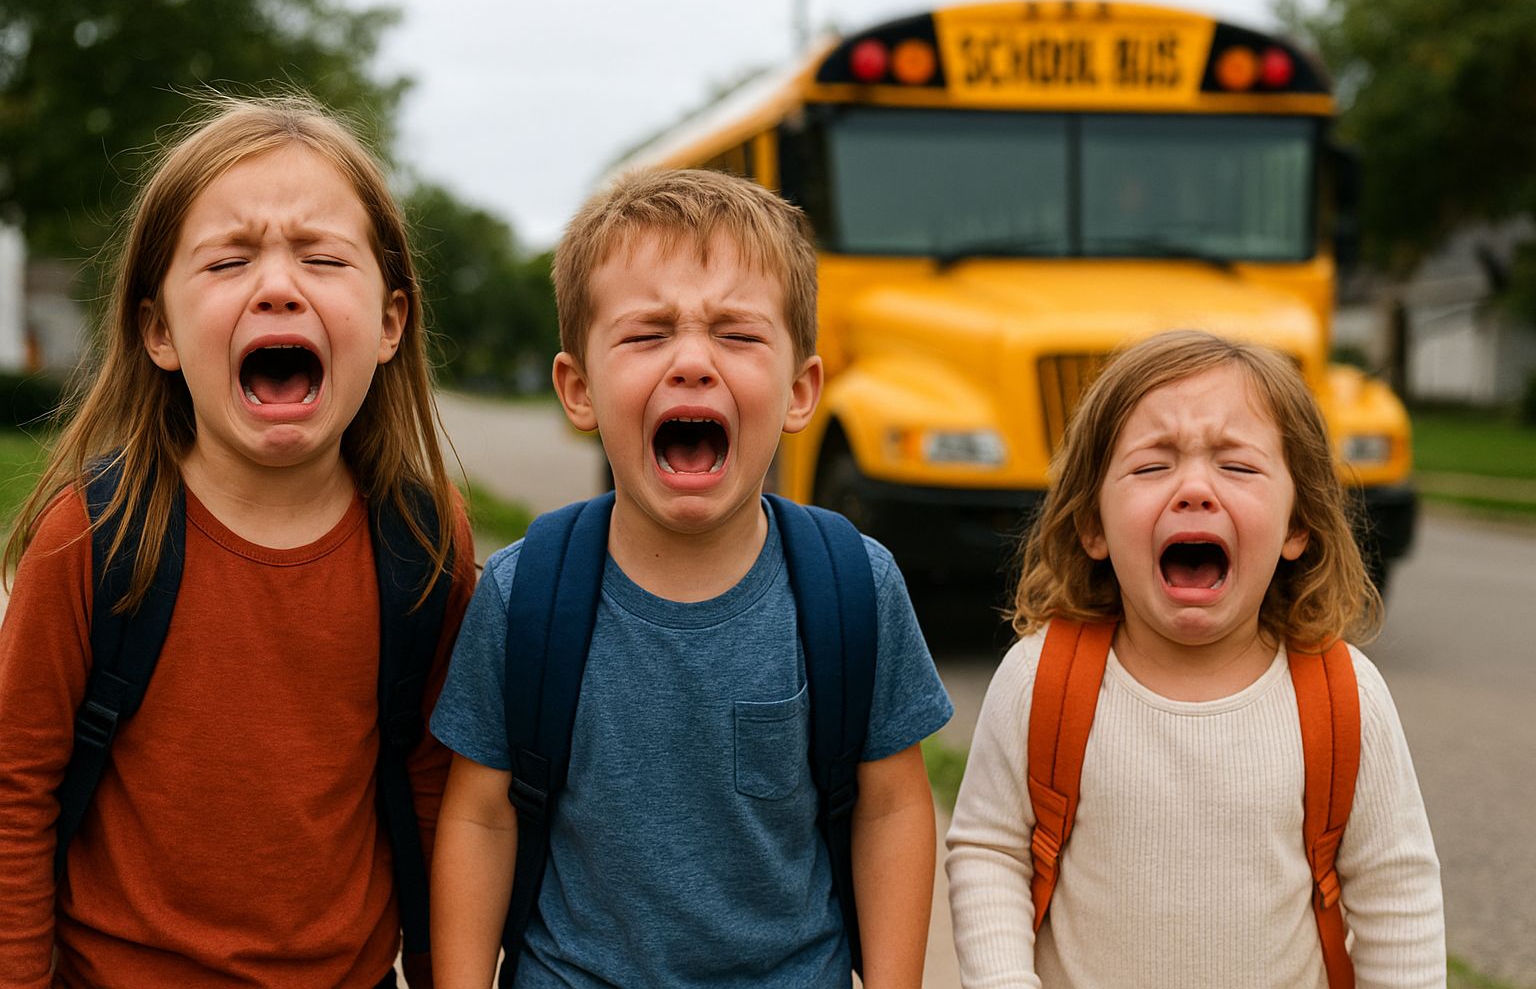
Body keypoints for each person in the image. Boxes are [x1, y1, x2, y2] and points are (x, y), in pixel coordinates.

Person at [429, 168, 953, 988]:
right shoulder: (523, 593)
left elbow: (889, 807)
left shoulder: (855, 585)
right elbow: (480, 816)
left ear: (799, 390)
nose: (693, 362)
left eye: (738, 335)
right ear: (578, 391)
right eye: (647, 335)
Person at [0, 94, 475, 988]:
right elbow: (12, 793)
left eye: (324, 257)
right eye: (227, 260)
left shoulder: (422, 536)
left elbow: (434, 788)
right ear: (159, 332)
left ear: (388, 324)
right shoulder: (93, 537)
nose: (279, 284)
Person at [946, 330, 1444, 988]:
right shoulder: (1041, 680)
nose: (1195, 490)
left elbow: (1396, 896)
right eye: (1153, 466)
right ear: (1092, 523)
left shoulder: (1346, 696)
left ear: (1299, 525)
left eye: (1237, 467)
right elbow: (988, 853)